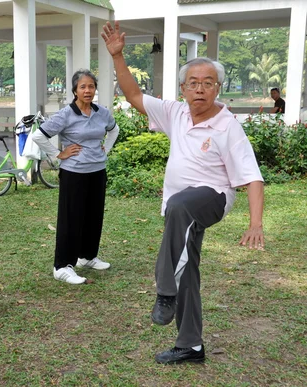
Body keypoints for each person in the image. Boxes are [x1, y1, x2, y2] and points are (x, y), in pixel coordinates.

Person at [102, 21, 265, 364]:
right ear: (183, 88)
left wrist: (255, 224)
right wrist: (118, 56)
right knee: (186, 269)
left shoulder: (227, 126)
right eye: (194, 83)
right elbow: (133, 96)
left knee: (180, 206)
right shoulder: (175, 113)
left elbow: (252, 178)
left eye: (208, 83)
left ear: (218, 88)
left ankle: (164, 293)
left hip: (213, 198)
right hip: (179, 212)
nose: (200, 89)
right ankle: (191, 345)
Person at [31, 69, 120, 285]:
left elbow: (114, 130)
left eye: (91, 86)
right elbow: (38, 135)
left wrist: (105, 150)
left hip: (97, 171)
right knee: (71, 219)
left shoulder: (102, 113)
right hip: (74, 173)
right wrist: (57, 154)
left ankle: (87, 257)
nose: (88, 90)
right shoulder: (66, 115)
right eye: (83, 86)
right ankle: (62, 266)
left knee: (93, 216)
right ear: (75, 90)